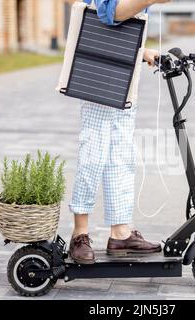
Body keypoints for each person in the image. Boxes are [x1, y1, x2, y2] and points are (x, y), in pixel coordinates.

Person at [69, 0, 170, 264]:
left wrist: (142, 51)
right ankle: (79, 234)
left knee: (121, 157)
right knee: (94, 153)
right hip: (101, 73)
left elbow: (121, 26)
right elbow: (108, 13)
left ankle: (120, 233)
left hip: (123, 70)